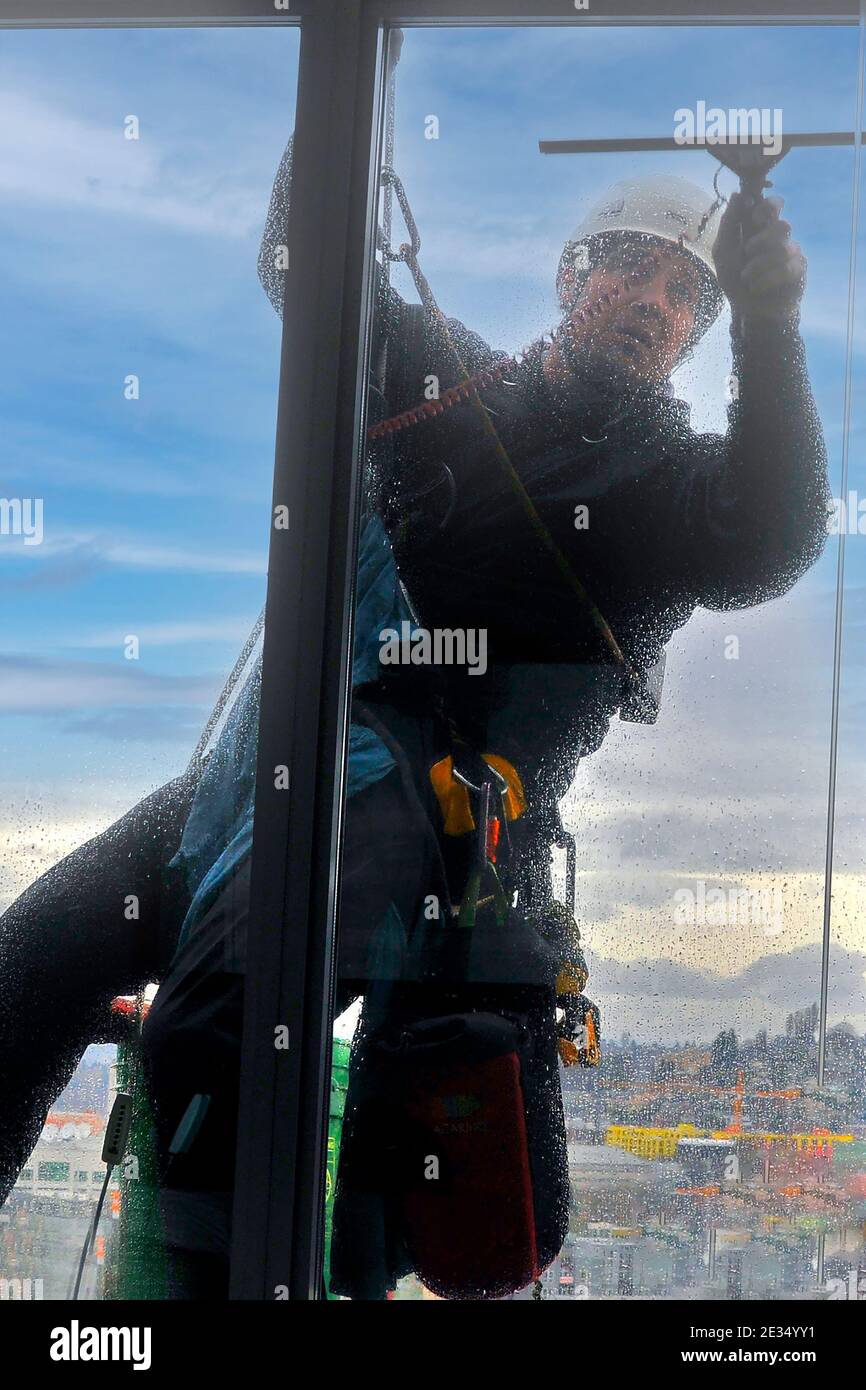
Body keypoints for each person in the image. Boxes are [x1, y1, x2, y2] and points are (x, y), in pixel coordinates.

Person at [0, 130, 828, 1299]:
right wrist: (331, 118)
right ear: (568, 274)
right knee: (34, 957)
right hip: (278, 770)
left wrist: (770, 319)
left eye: (682, 290)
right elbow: (302, 263)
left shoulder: (664, 481)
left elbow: (770, 535)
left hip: (449, 823)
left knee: (220, 1033)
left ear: (697, 329)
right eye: (628, 267)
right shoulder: (445, 376)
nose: (650, 301)